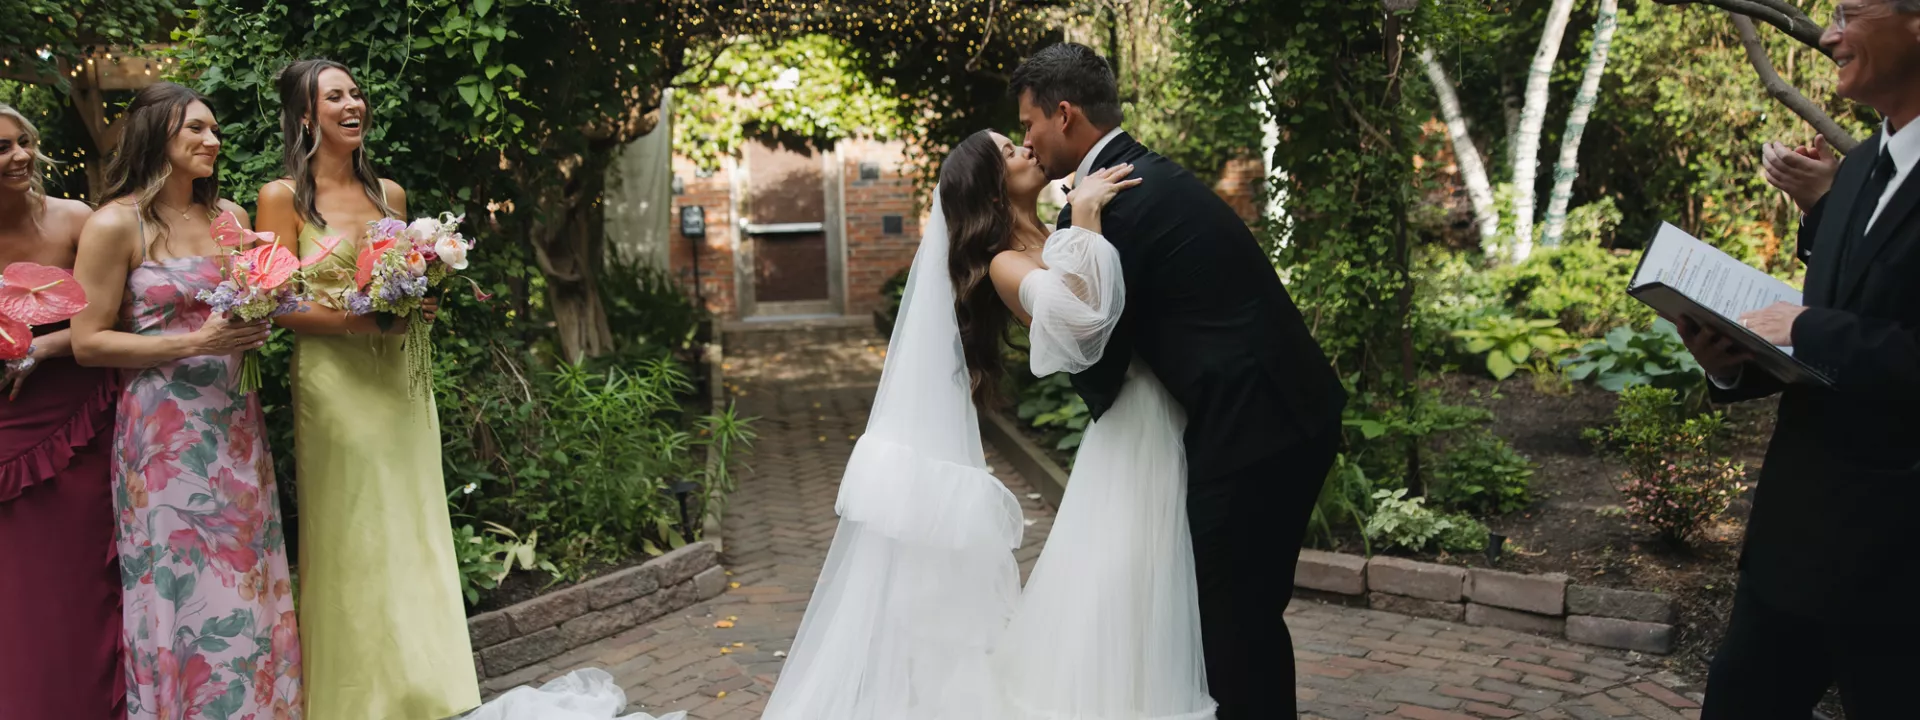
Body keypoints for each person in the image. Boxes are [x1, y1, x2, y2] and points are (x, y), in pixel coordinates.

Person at [1008, 43, 1346, 717]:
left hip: (1258, 428)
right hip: (1276, 416)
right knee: (1238, 616)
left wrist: (1071, 236)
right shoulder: (1141, 178)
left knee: (1231, 622)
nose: (1027, 138)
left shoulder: (1115, 204)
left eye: (1029, 123)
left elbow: (1093, 354)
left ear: (1065, 114)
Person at [1676, 2, 1920, 717]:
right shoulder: (1859, 167)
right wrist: (1732, 359)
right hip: (1798, 543)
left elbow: (1833, 329)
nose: (1826, 34)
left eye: (1848, 12)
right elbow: (1858, 311)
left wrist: (1808, 328)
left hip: (1904, 566)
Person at [252, 58, 477, 720]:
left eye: (356, 94)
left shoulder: (392, 195)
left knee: (412, 517)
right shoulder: (281, 198)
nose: (353, 105)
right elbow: (274, 306)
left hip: (401, 379)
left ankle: (427, 686)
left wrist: (423, 303)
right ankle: (357, 698)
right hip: (333, 385)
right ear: (304, 115)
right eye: (335, 97)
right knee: (351, 522)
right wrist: (364, 320)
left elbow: (408, 288)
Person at [70, 81, 302, 720]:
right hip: (164, 435)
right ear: (156, 136)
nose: (212, 140)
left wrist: (264, 315)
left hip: (233, 421)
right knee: (181, 585)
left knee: (246, 574)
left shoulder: (228, 218)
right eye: (195, 129)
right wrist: (198, 339)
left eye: (214, 129)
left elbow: (255, 301)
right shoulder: (116, 224)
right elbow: (89, 342)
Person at [0, 103, 124, 720]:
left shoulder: (77, 221)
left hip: (82, 421)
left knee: (88, 579)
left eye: (24, 142)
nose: (19, 156)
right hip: (6, 433)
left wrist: (42, 348)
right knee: (22, 589)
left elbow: (124, 314)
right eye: (1, 148)